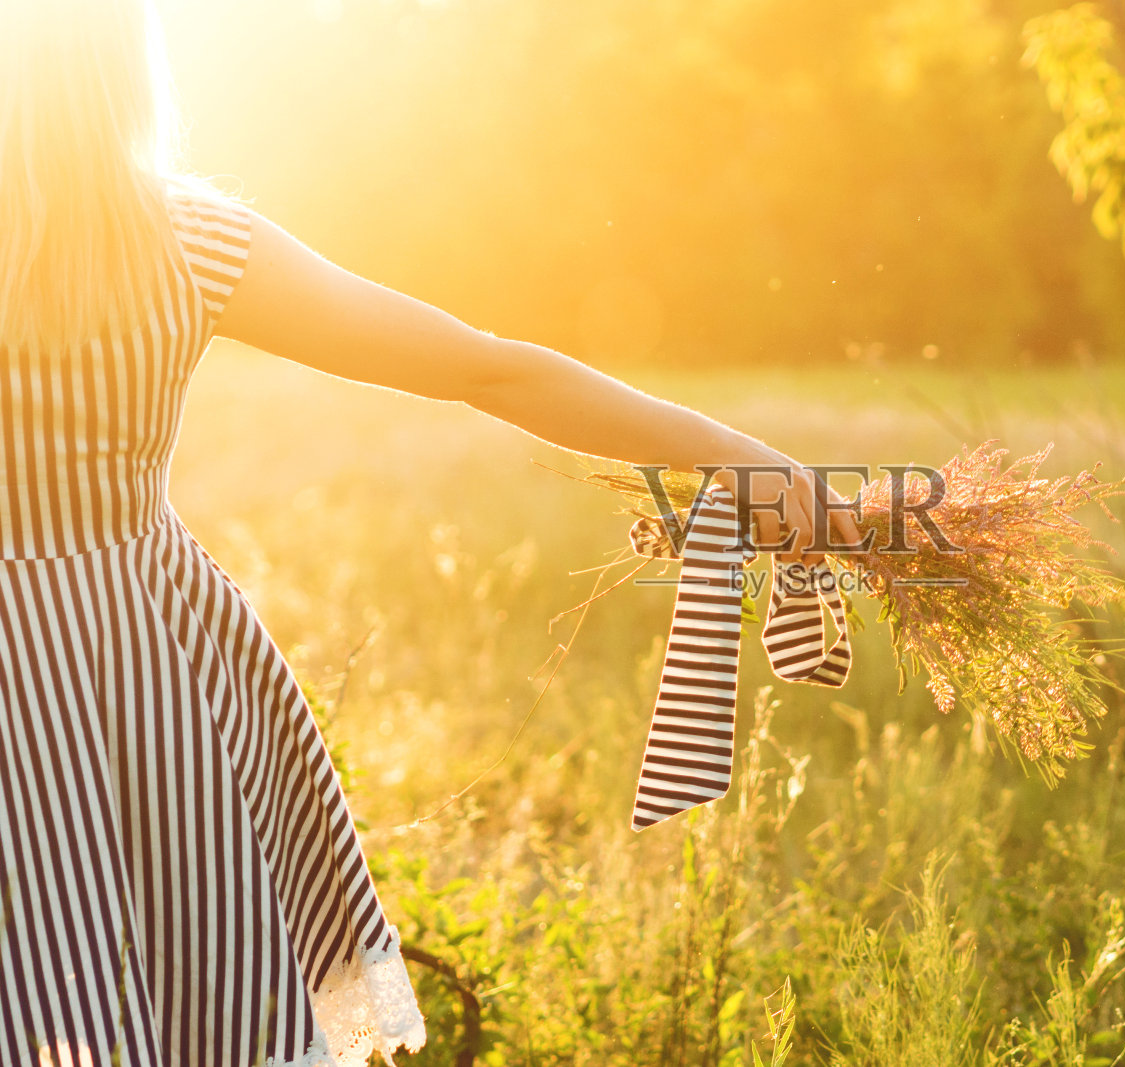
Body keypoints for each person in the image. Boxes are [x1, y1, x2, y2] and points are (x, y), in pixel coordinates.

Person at [0, 1, 860, 1064]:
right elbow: (483, 365)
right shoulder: (191, 239)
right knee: (189, 984)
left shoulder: (192, 236)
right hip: (148, 662)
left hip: (118, 665)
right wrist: (742, 457)